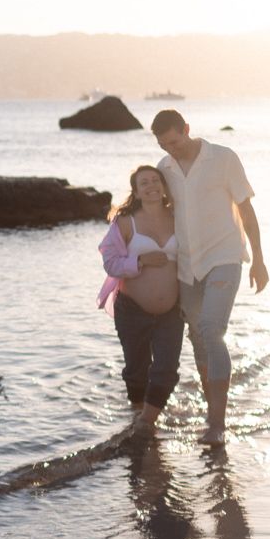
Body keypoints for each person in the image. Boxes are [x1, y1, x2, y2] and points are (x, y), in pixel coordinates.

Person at [151, 108, 267, 445]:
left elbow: (246, 209)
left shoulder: (223, 158)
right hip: (187, 266)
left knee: (212, 329)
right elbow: (161, 215)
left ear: (186, 129)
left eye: (174, 141)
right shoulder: (165, 169)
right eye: (163, 145)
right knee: (198, 340)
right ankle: (211, 412)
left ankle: (217, 424)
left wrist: (259, 259)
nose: (170, 149)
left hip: (225, 256)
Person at [96, 164, 183, 432]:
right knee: (136, 368)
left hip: (171, 311)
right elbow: (110, 262)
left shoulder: (179, 217)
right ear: (135, 191)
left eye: (156, 180)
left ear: (164, 186)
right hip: (132, 309)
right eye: (144, 182)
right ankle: (138, 417)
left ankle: (147, 422)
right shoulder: (125, 221)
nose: (151, 186)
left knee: (167, 368)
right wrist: (140, 260)